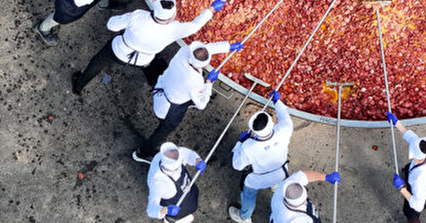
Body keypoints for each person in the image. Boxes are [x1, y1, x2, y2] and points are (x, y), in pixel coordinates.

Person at [71, 0, 220, 94]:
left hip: (118, 50)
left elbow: (111, 25)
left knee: (97, 63)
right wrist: (211, 9)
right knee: (153, 66)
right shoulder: (174, 29)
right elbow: (195, 26)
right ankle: (155, 84)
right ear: (171, 16)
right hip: (143, 59)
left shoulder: (138, 16)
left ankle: (78, 85)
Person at [134, 41, 235, 160]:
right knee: (163, 131)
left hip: (164, 85)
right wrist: (208, 83)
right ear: (202, 66)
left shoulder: (185, 51)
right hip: (169, 108)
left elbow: (204, 49)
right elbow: (202, 104)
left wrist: (227, 46)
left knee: (161, 74)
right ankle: (143, 153)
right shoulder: (194, 80)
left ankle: (146, 68)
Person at [229, 91, 294, 223]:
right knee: (278, 184)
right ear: (271, 123)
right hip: (281, 173)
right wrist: (277, 102)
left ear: (253, 131)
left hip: (258, 178)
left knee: (248, 195)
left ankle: (245, 217)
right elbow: (284, 116)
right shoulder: (284, 130)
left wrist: (239, 144)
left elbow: (237, 165)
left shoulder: (248, 147)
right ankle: (274, 187)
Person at [386, 114, 426, 223]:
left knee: (410, 213)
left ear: (418, 159)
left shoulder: (418, 179)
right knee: (407, 168)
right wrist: (397, 123)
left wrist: (401, 188)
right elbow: (412, 138)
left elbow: (417, 204)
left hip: (424, 197)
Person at [145, 142, 204, 222]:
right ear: (174, 168)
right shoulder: (158, 183)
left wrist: (197, 160)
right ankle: (170, 220)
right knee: (178, 214)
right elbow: (151, 209)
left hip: (189, 191)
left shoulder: (163, 156)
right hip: (175, 204)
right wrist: (165, 210)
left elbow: (187, 153)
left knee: (192, 201)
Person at [270, 169, 340, 223]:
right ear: (303, 202)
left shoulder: (283, 188)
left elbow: (305, 175)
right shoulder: (300, 220)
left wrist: (326, 177)